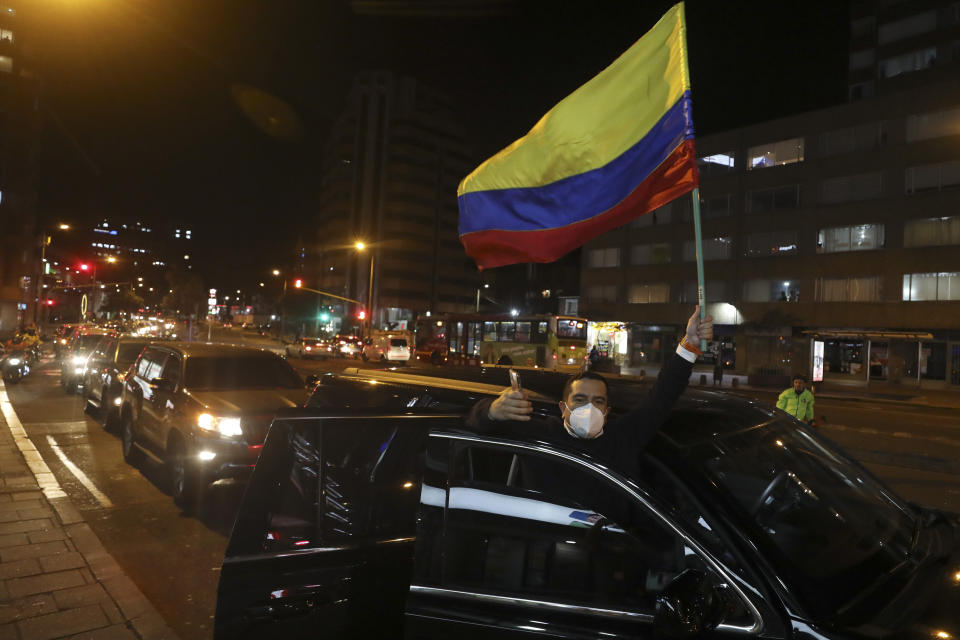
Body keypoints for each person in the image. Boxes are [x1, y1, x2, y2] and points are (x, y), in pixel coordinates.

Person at [467, 307, 713, 479]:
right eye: (580, 400)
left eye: (598, 401)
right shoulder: (539, 434)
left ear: (607, 412)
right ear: (563, 408)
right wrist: (491, 411)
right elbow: (473, 427)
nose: (589, 408)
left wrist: (689, 344)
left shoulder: (623, 437)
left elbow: (663, 395)